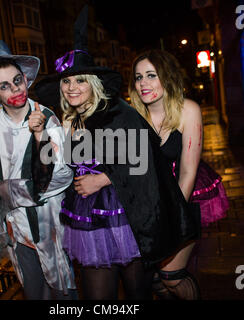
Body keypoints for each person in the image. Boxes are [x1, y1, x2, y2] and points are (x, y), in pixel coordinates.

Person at [32, 6, 200, 300]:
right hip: (86, 221)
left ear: (94, 83)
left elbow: (143, 158)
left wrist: (103, 179)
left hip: (126, 215)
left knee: (139, 294)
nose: (73, 88)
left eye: (80, 80)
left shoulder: (117, 112)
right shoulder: (68, 120)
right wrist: (39, 136)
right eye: (67, 81)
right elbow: (52, 169)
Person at [0, 39, 77, 300]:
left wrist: (13, 191)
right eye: (4, 86)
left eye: (17, 80)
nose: (15, 89)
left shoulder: (47, 118)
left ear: (25, 78)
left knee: (61, 293)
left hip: (48, 227)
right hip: (15, 229)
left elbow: (63, 175)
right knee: (33, 292)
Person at [129, 49, 229, 300]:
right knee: (151, 279)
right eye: (138, 77)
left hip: (185, 196)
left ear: (167, 77)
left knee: (172, 276)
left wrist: (172, 218)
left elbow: (187, 171)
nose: (143, 83)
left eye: (151, 75)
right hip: (149, 201)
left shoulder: (188, 109)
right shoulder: (133, 116)